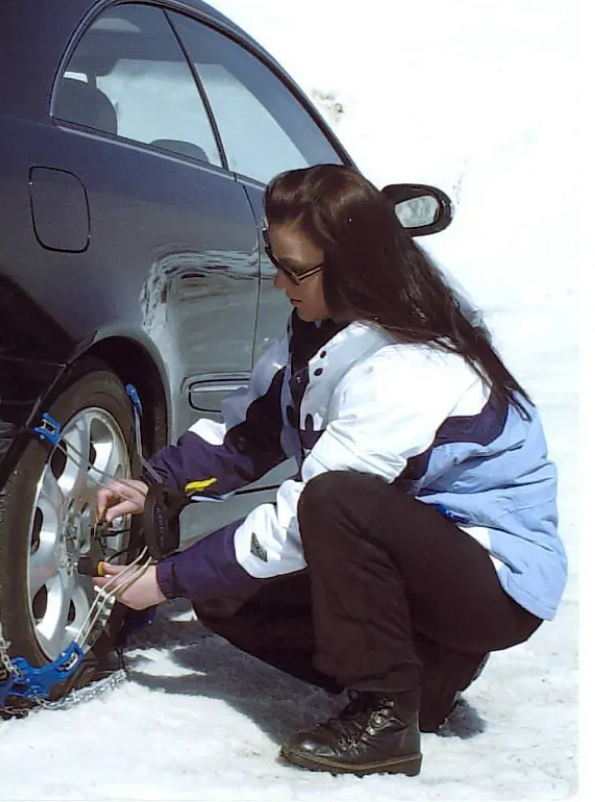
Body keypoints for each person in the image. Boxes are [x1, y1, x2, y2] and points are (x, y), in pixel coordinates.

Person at [93, 163, 566, 778]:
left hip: (490, 579)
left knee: (333, 500)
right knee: (228, 598)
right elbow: (255, 429)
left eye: (296, 270)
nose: (279, 279)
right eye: (274, 256)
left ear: (350, 265)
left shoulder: (411, 361)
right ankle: (430, 676)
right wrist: (157, 483)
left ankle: (385, 716)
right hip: (415, 548)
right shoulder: (321, 325)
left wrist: (166, 580)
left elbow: (306, 512)